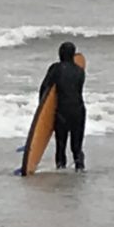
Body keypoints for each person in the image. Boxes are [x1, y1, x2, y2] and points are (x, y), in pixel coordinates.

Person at [38, 40, 87, 170]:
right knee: (77, 147)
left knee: (61, 146)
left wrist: (41, 112)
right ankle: (80, 169)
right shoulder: (80, 71)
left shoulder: (56, 68)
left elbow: (44, 88)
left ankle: (61, 169)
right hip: (79, 111)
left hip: (62, 111)